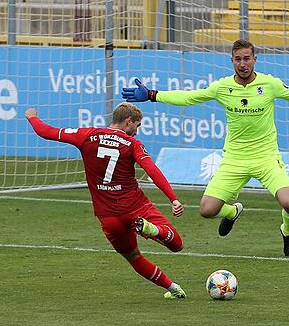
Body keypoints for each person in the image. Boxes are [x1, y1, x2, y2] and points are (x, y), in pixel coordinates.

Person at [121, 38, 289, 257]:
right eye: (238, 59)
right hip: (234, 159)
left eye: (247, 58)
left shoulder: (270, 84)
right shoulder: (223, 87)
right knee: (207, 210)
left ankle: (287, 232)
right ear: (232, 61)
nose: (243, 63)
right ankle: (232, 212)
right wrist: (153, 95)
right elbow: (190, 97)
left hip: (266, 157)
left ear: (255, 59)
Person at [25, 102, 187, 299]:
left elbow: (46, 131)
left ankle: (173, 289)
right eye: (137, 125)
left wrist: (32, 116)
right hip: (135, 207)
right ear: (128, 121)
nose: (136, 132)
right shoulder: (132, 144)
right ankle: (152, 230)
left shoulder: (87, 135)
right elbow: (151, 170)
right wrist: (173, 199)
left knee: (134, 257)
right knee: (177, 245)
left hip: (108, 217)